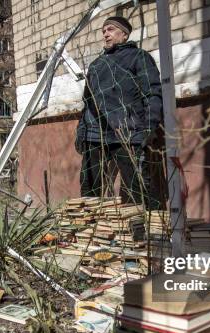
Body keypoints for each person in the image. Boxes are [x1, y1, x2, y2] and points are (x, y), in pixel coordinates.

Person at [75, 16, 164, 210]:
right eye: (103, 31)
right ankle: (91, 231)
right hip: (95, 134)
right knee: (90, 188)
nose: (105, 34)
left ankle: (146, 232)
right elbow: (87, 101)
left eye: (110, 29)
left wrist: (149, 126)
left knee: (138, 185)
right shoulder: (96, 65)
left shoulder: (138, 57)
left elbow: (153, 92)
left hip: (126, 132)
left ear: (124, 34)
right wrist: (81, 130)